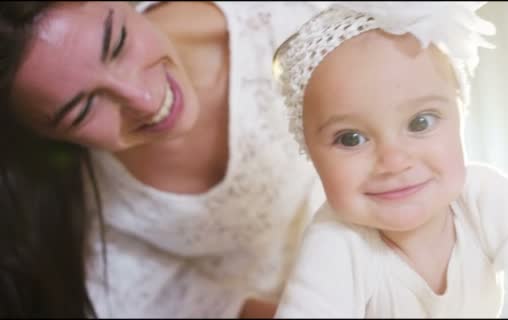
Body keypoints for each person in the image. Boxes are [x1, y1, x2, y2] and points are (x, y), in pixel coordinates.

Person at [271, 2, 508, 317]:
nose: (394, 160)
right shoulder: (337, 241)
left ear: (461, 115)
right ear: (310, 154)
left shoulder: (488, 200)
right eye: (351, 138)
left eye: (420, 123)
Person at [0, 1, 328, 318]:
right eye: (84, 110)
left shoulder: (277, 13)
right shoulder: (109, 225)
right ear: (50, 137)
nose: (143, 99)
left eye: (118, 44)